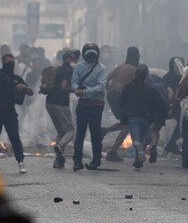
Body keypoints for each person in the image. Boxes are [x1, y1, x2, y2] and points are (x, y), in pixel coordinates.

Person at [119, 65, 169, 170]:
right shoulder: (150, 90)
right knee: (141, 139)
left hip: (132, 117)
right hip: (146, 119)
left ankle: (140, 151)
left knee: (136, 139)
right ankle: (138, 162)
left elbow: (121, 102)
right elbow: (161, 103)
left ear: (135, 74)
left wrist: (124, 112)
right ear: (146, 76)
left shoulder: (128, 87)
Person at [71, 43, 107, 171]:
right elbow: (74, 81)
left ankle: (96, 160)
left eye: (94, 54)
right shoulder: (79, 67)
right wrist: (76, 89)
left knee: (95, 132)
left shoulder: (101, 68)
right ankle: (77, 160)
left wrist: (85, 92)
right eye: (89, 54)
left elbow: (101, 86)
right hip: (83, 104)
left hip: (96, 104)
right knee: (80, 132)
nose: (92, 57)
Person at [104, 46, 141, 162]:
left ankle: (104, 131)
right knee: (127, 125)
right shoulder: (133, 69)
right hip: (120, 97)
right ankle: (112, 151)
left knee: (125, 122)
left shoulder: (120, 66)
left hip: (112, 95)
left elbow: (106, 79)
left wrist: (109, 90)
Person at [46, 50, 77, 169]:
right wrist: (76, 90)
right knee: (70, 131)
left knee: (61, 132)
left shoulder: (58, 69)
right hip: (60, 103)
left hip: (49, 102)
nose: (76, 60)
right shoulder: (68, 70)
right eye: (74, 58)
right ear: (69, 59)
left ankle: (58, 161)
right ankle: (60, 146)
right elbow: (64, 86)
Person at [162, 57, 186, 156]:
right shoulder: (167, 78)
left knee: (182, 125)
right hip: (170, 104)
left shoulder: (183, 78)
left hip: (178, 105)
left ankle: (171, 144)